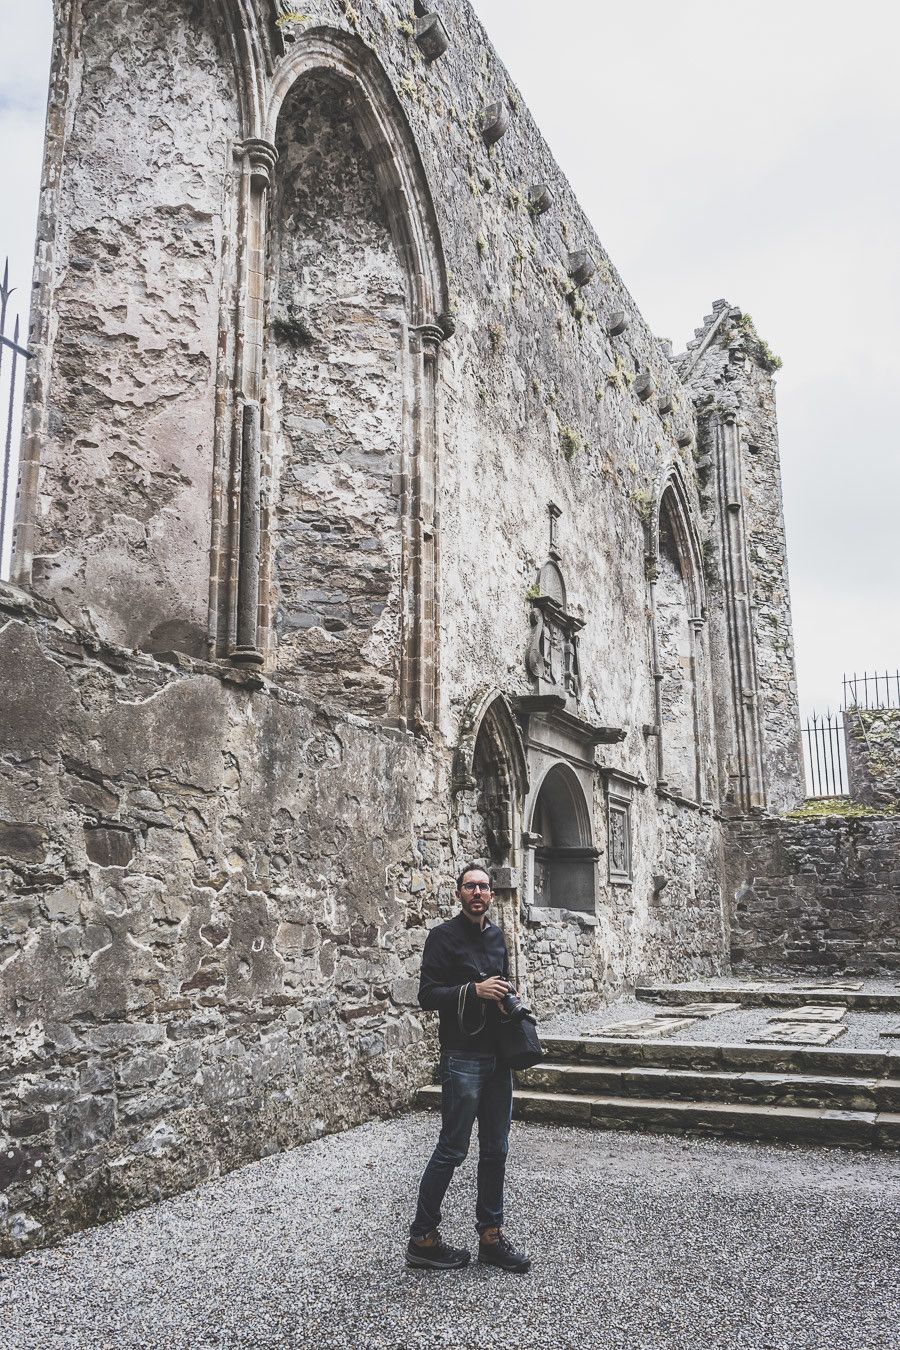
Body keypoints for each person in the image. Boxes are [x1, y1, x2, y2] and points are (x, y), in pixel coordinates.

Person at [405, 864, 532, 1273]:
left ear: (492, 895)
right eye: (469, 886)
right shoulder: (442, 938)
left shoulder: (497, 937)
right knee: (452, 1149)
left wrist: (504, 996)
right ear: (459, 893)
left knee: (496, 1149)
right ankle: (423, 1238)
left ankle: (491, 1237)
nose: (477, 892)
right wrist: (473, 991)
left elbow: (503, 981)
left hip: (498, 1060)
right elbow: (427, 995)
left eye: (483, 886)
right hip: (462, 1058)